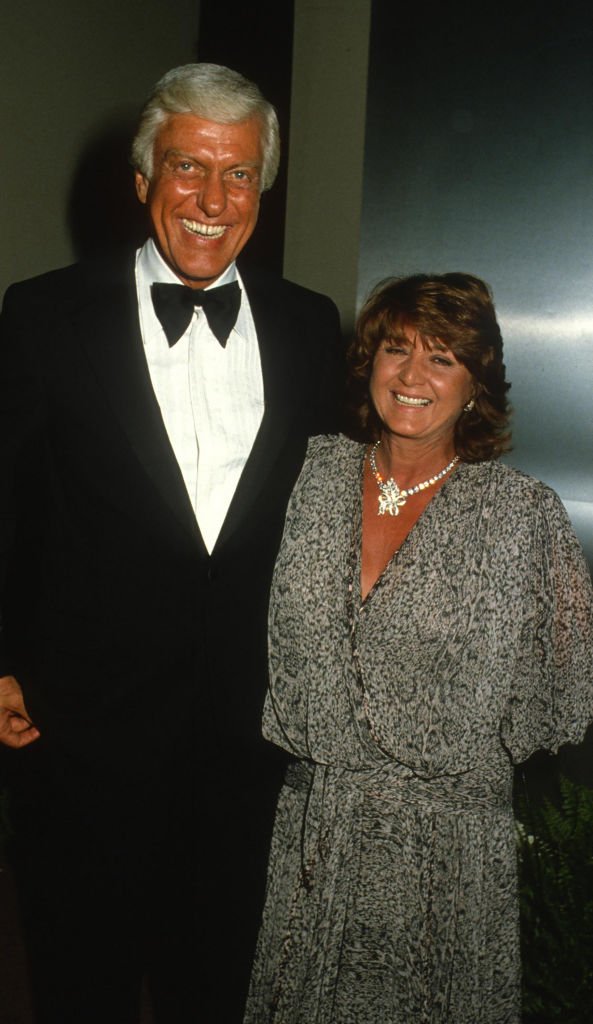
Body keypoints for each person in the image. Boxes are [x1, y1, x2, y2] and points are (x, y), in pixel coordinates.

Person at [0, 63, 342, 1024]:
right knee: (80, 984)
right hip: (83, 741)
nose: (211, 199)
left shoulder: (310, 326)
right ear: (143, 176)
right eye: (188, 167)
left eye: (237, 175)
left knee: (220, 990)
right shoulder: (42, 314)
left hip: (250, 748)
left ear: (260, 192)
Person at [244, 273, 593, 1023]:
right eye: (395, 349)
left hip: (445, 854)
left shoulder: (522, 517)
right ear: (367, 360)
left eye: (441, 357)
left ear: (476, 384)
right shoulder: (307, 474)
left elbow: (558, 701)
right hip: (315, 830)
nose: (410, 375)